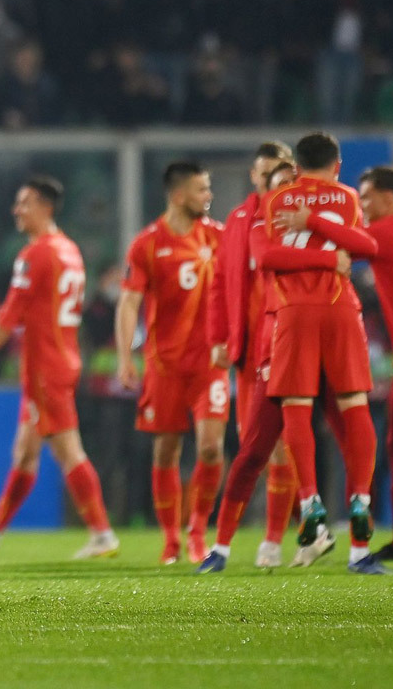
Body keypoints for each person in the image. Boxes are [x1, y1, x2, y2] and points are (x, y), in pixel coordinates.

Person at [197, 161, 355, 573]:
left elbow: (355, 249)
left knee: (347, 437)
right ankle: (223, 548)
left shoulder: (312, 223)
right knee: (254, 450)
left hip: (318, 340)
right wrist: (330, 259)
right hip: (274, 343)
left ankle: (338, 536)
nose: (288, 192)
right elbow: (265, 259)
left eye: (292, 184)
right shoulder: (254, 225)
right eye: (279, 184)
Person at [0, 176, 117, 560]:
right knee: (25, 452)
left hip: (46, 364)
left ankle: (101, 533)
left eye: (24, 203)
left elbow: (9, 317)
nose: (17, 210)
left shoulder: (36, 254)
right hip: (63, 357)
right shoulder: (71, 250)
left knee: (68, 450)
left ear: (45, 207)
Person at [260, 132, 388, 575]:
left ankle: (311, 500)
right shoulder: (349, 197)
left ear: (295, 167)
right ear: (336, 166)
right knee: (355, 407)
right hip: (341, 310)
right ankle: (361, 503)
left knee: (296, 410)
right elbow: (366, 248)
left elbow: (268, 258)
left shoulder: (277, 201)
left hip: (294, 314)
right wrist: (326, 252)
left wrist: (306, 225)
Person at [116, 162, 227, 565]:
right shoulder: (147, 243)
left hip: (211, 362)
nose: (208, 196)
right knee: (166, 451)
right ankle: (171, 539)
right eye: (202, 189)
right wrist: (126, 356)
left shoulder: (219, 237)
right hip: (164, 365)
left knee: (212, 448)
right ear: (178, 195)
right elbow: (129, 302)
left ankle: (197, 531)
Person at [205, 142, 301, 568]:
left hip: (288, 341)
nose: (267, 182)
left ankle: (274, 540)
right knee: (254, 445)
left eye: (275, 176)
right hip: (246, 350)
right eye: (263, 175)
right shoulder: (239, 220)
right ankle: (294, 528)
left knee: (280, 445)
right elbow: (220, 282)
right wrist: (219, 337)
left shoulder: (291, 221)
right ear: (253, 175)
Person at [358, 166, 393, 561]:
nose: (361, 206)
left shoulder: (386, 231)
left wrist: (308, 218)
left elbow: (340, 245)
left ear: (389, 198)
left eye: (366, 198)